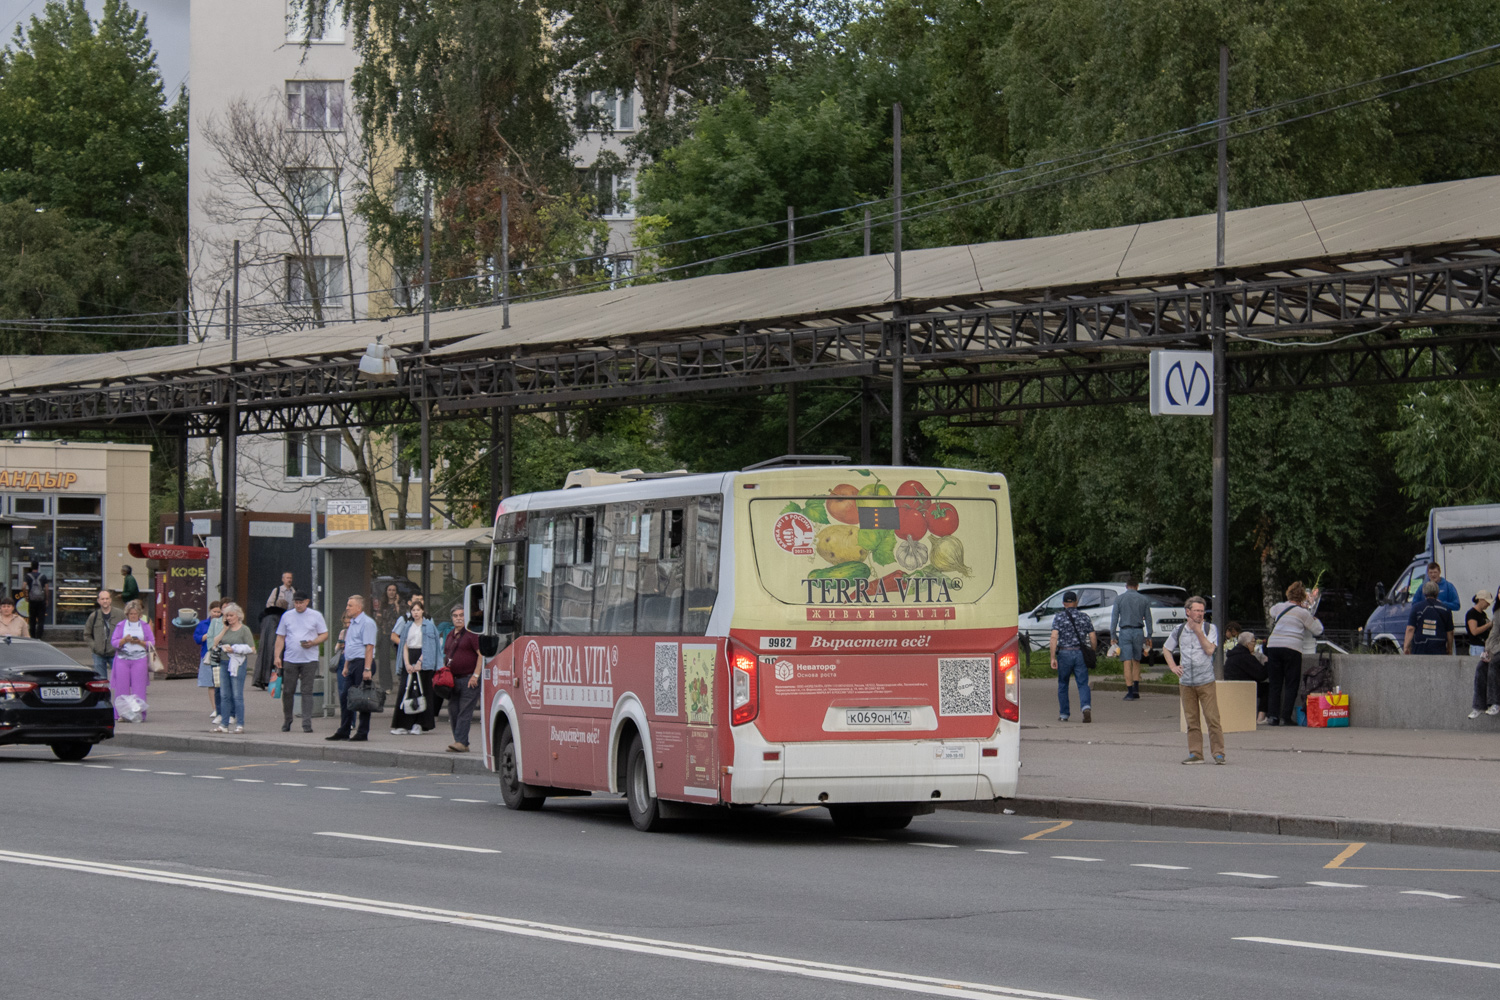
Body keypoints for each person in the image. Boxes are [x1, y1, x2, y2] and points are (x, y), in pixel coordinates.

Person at [1164, 595, 1224, 764]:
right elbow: (1166, 649)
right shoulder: (1179, 629)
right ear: (1188, 612)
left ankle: (1219, 753)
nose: (1200, 614)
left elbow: (1210, 650)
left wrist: (1198, 631)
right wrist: (1173, 667)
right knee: (1192, 720)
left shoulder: (1209, 628)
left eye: (1202, 611)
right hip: (1186, 682)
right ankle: (1196, 753)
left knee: (1212, 718)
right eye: (1196, 611)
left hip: (1205, 680)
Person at [1265, 580, 1323, 726]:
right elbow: (1318, 630)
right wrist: (1313, 617)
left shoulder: (1279, 607)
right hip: (1292, 648)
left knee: (1275, 683)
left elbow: (1271, 612)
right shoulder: (1303, 613)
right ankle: (1285, 717)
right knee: (1291, 683)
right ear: (1303, 597)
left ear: (1288, 594)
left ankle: (1273, 716)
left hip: (1273, 646)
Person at [273, 590, 329, 734]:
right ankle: (287, 719)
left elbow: (324, 634)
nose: (298, 606)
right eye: (296, 603)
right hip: (291, 658)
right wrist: (277, 656)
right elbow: (280, 637)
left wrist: (313, 642)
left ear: (307, 602)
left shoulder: (315, 616)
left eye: (300, 603)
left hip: (309, 658)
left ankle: (306, 722)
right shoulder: (287, 616)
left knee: (307, 691)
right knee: (288, 691)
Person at [327, 595, 377, 742]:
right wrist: (346, 665)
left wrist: (367, 669)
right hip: (351, 663)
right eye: (347, 605)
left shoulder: (367, 623)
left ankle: (362, 732)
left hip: (363, 663)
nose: (347, 608)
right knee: (345, 697)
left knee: (362, 698)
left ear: (359, 608)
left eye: (350, 605)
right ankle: (344, 729)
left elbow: (369, 647)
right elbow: (349, 646)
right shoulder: (353, 623)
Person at [390, 599, 440, 735]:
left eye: (418, 610)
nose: (416, 613)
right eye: (413, 610)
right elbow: (404, 645)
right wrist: (406, 663)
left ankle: (419, 724)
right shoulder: (407, 626)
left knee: (423, 691)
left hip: (424, 658)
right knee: (404, 690)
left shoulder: (429, 626)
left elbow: (429, 646)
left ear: (422, 610)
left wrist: (420, 663)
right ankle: (402, 725)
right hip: (410, 656)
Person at [1048, 591, 1095, 724]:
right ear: (1076, 602)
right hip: (1080, 654)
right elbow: (1092, 637)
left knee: (1063, 684)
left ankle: (1064, 714)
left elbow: (1053, 637)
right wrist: (1092, 651)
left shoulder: (1059, 617)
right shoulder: (1084, 617)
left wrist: (1052, 657)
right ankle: (1086, 707)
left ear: (1064, 603)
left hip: (1064, 654)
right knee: (1082, 683)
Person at [109, 600, 156, 722]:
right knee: (121, 688)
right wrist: (124, 640)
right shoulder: (121, 625)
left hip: (139, 659)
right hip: (122, 659)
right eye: (131, 614)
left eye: (135, 613)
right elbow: (114, 642)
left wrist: (139, 642)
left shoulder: (144, 626)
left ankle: (139, 714)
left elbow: (152, 643)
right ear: (127, 614)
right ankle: (121, 714)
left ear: (139, 614)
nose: (133, 616)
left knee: (139, 689)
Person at [444, 606, 483, 752]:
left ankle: (460, 742)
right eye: (455, 616)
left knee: (464, 712)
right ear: (452, 618)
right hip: (453, 680)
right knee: (453, 710)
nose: (458, 618)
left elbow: (481, 654)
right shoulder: (450, 635)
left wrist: (476, 675)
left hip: (469, 679)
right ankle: (461, 742)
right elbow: (446, 655)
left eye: (461, 615)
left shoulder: (472, 634)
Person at [212, 603, 255, 733]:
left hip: (238, 664)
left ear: (238, 616)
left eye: (231, 615)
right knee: (224, 694)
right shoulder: (225, 629)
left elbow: (252, 649)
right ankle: (224, 724)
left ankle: (240, 724)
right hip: (224, 662)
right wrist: (224, 629)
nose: (228, 618)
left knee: (237, 695)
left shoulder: (244, 630)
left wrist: (236, 649)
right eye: (226, 616)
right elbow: (215, 643)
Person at [1110, 577, 1152, 701]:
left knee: (1127, 661)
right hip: (1139, 631)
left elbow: (1114, 619)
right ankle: (1136, 690)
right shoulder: (1144, 599)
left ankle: (1129, 691)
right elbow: (1148, 618)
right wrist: (1149, 635)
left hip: (1125, 631)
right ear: (1137, 586)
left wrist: (1113, 635)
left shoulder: (1119, 599)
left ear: (1126, 586)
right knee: (1136, 660)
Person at [255, 572, 296, 689]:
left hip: (269, 637)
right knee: (275, 655)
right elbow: (269, 602)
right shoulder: (277, 590)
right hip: (280, 630)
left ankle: (264, 679)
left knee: (266, 654)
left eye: (291, 578)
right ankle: (274, 679)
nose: (289, 580)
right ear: (283, 579)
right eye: (287, 578)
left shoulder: (294, 591)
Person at [1224, 629, 1270, 725]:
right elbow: (1261, 675)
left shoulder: (1231, 656)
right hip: (1245, 687)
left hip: (1231, 687)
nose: (1254, 645)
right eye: (1254, 642)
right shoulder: (1246, 657)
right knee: (1267, 688)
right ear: (1247, 644)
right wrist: (1266, 663)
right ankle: (1261, 717)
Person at [1404, 580, 1455, 656]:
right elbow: (1450, 632)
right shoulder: (1445, 609)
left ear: (1424, 593)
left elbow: (1410, 629)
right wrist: (1449, 648)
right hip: (1439, 647)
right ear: (1437, 593)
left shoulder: (1416, 608)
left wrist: (1406, 646)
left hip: (1420, 647)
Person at [1466, 590, 1496, 720]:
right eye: (1486, 603)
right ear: (1480, 600)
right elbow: (1474, 631)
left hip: (1485, 647)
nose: (1488, 606)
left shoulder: (1483, 614)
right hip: (1477, 647)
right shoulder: (1472, 614)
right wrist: (1489, 625)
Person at [84, 589, 125, 677]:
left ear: (110, 600)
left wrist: (121, 645)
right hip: (98, 654)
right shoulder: (93, 616)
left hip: (115, 653)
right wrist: (94, 647)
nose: (105, 601)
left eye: (107, 598)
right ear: (99, 601)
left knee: (120, 679)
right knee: (101, 682)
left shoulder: (120, 614)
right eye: (102, 599)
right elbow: (87, 634)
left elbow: (127, 630)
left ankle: (119, 691)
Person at [195, 601, 225, 723]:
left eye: (218, 612)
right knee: (211, 683)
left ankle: (223, 708)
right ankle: (215, 708)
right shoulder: (203, 624)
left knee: (221, 683)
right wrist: (207, 635)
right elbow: (197, 639)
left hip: (221, 655)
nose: (216, 614)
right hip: (207, 655)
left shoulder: (225, 623)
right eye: (214, 611)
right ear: (210, 611)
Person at [23, 561, 50, 639]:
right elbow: (47, 589)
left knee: (32, 620)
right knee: (41, 620)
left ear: (31, 567)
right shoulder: (43, 576)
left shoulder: (28, 576)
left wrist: (26, 596)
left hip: (32, 601)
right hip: (41, 601)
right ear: (38, 567)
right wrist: (46, 599)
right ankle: (39, 637)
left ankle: (32, 636)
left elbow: (23, 586)